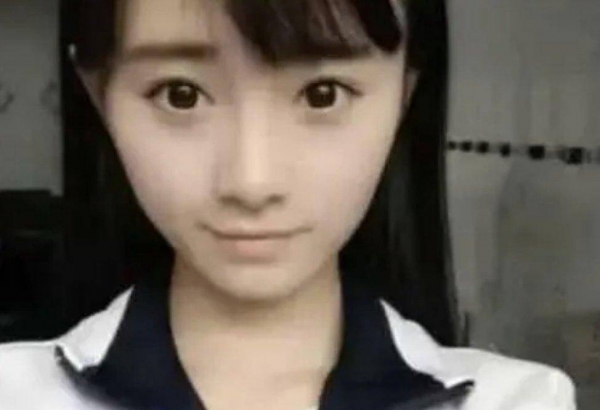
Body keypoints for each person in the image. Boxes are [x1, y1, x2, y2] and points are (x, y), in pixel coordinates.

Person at [0, 0, 576, 409]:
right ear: (99, 96)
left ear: (404, 95)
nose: (252, 182)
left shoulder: (522, 401)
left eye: (323, 94)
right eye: (181, 93)